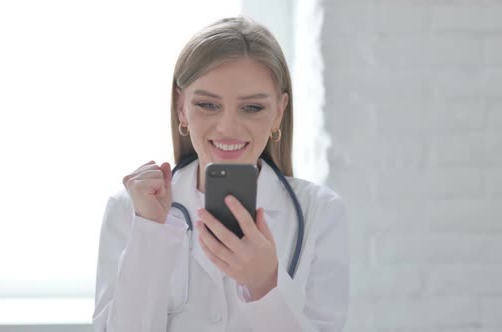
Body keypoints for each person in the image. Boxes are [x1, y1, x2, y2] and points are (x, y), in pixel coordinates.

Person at [92, 16, 349, 332]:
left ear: (278, 112)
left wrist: (264, 285)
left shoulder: (320, 212)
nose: (228, 127)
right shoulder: (130, 209)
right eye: (207, 105)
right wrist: (149, 233)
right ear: (181, 108)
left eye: (252, 108)